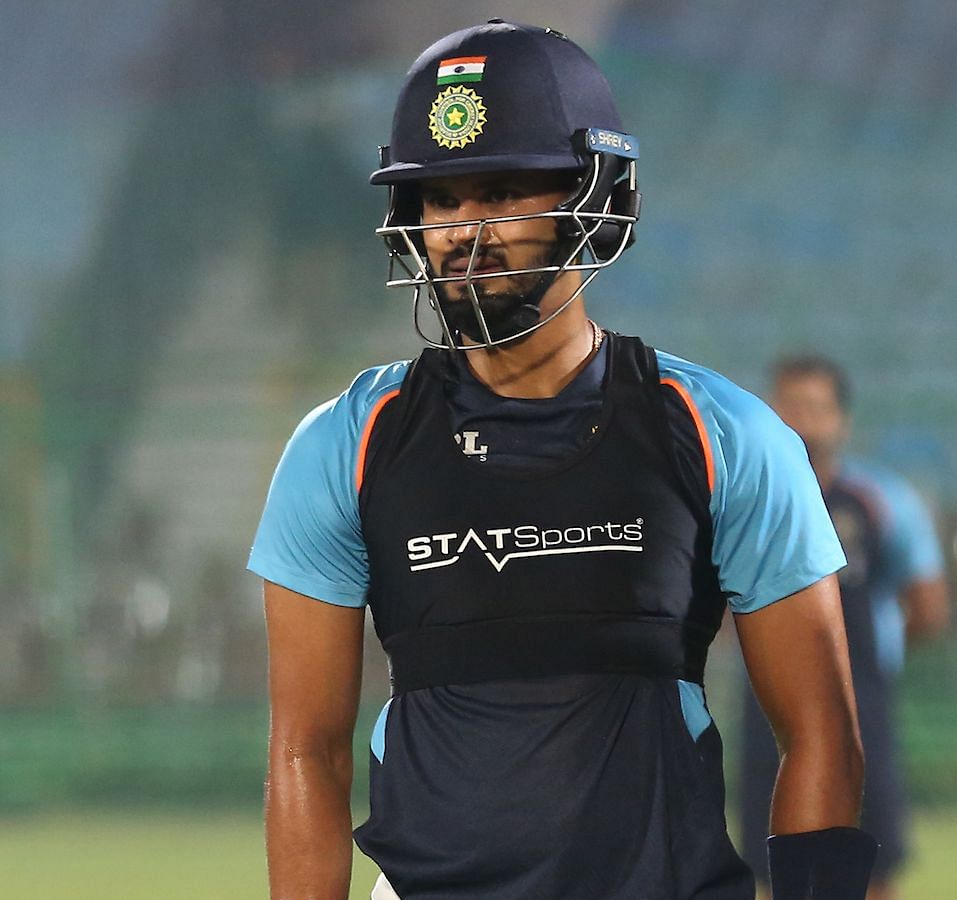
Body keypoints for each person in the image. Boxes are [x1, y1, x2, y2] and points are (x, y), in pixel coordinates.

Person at [248, 20, 877, 900]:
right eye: (440, 198)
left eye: (504, 191)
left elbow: (822, 736)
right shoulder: (345, 444)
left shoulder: (722, 432)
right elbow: (305, 750)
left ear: (598, 197)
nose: (466, 230)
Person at [736, 356, 949, 900]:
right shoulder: (742, 504)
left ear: (841, 420)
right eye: (790, 406)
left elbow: (927, 606)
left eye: (816, 408)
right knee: (772, 868)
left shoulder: (880, 501)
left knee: (872, 866)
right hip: (767, 708)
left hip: (860, 708)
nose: (802, 421)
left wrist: (875, 657)